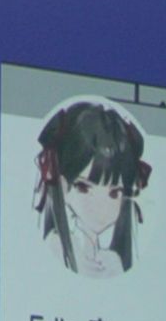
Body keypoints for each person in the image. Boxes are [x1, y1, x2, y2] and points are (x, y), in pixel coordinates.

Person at [31, 99, 147, 277]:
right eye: (84, 188)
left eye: (114, 193)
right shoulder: (56, 248)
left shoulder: (113, 262)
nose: (101, 204)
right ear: (63, 186)